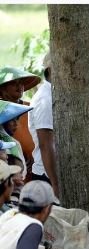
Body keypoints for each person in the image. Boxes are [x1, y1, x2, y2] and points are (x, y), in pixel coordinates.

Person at [28, 53, 60, 199]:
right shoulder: (45, 99)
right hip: (47, 175)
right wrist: (55, 183)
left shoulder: (54, 95)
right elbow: (46, 144)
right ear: (51, 70)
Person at [0, 67, 40, 178]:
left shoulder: (31, 107)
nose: (19, 87)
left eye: (21, 83)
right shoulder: (0, 111)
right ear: (2, 88)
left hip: (37, 166)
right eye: (14, 83)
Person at [0, 100, 31, 177]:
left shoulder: (15, 143)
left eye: (17, 119)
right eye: (11, 119)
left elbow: (22, 175)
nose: (16, 124)